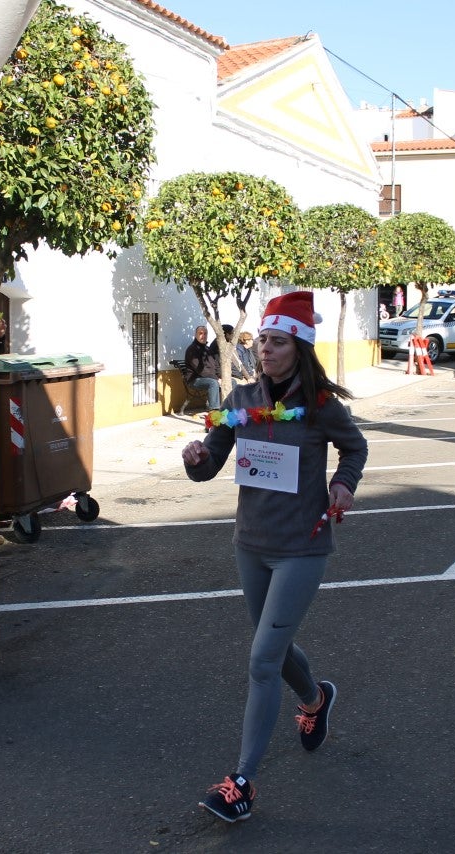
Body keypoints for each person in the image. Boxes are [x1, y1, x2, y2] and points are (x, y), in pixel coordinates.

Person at [181, 291, 369, 824]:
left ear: (300, 348)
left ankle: (241, 781)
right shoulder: (238, 401)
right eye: (262, 340)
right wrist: (195, 457)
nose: (265, 349)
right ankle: (315, 701)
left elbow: (354, 449)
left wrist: (343, 483)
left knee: (262, 658)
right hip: (251, 544)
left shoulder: (323, 406)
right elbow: (210, 461)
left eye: (276, 341)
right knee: (277, 647)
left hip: (302, 547)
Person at [184, 325, 221, 410]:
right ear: (195, 334)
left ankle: (227, 407)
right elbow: (201, 370)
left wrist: (220, 376)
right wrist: (216, 378)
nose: (203, 336)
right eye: (200, 333)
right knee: (213, 383)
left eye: (205, 333)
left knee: (231, 382)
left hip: (209, 377)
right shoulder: (191, 350)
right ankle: (214, 410)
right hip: (195, 380)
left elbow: (216, 365)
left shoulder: (208, 349)